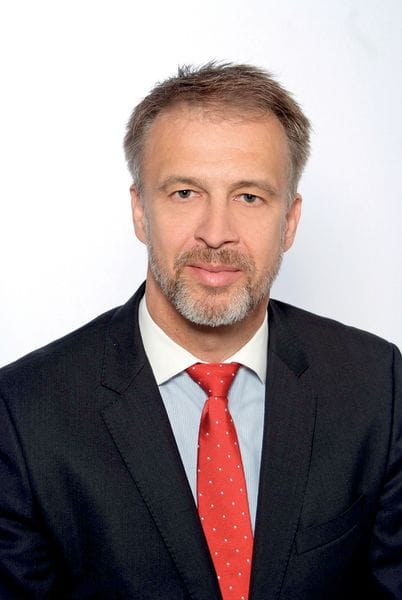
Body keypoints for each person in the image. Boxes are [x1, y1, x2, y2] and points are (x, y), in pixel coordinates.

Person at [0, 63, 401, 600]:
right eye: (185, 193)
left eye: (249, 197)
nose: (216, 234)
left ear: (289, 221)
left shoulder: (377, 385)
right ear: (140, 211)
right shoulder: (23, 413)